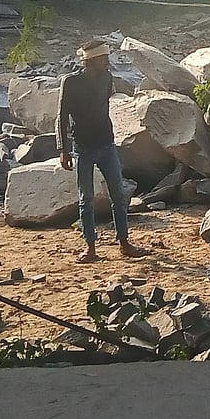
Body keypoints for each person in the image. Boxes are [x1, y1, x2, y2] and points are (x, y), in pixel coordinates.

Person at [57, 39, 148, 263]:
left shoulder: (107, 78)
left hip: (106, 143)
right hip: (82, 147)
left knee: (118, 195)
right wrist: (63, 149)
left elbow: (105, 107)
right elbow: (62, 116)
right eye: (104, 59)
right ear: (91, 61)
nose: (108, 62)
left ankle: (124, 243)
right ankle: (90, 247)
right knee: (85, 199)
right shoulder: (71, 82)